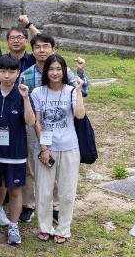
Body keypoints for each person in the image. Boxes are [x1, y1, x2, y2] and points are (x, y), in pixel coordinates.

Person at [18, 34, 89, 223]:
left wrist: (81, 73)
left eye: (46, 46)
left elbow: (82, 92)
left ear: (53, 49)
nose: (41, 50)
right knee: (33, 167)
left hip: (61, 132)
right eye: (37, 47)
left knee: (57, 170)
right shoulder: (26, 74)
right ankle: (30, 204)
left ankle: (56, 206)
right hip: (36, 124)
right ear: (32, 51)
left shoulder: (63, 71)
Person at [0, 56, 35, 247]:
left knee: (15, 191)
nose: (6, 75)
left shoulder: (23, 95)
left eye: (11, 72)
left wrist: (26, 98)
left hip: (16, 153)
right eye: (3, 71)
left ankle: (13, 225)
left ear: (18, 73)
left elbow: (30, 121)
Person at [31, 54, 85, 244]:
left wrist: (78, 90)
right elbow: (37, 122)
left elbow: (79, 115)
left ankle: (63, 228)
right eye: (51, 69)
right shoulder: (38, 92)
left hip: (69, 147)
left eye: (58, 69)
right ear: (46, 72)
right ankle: (45, 227)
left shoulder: (71, 91)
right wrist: (44, 148)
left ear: (64, 72)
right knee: (44, 191)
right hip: (46, 148)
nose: (55, 73)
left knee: (67, 191)